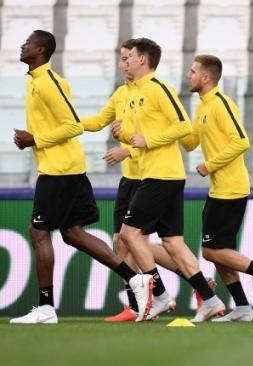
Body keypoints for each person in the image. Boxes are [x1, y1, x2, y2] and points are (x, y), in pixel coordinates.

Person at [10, 30, 146, 324]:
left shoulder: (47, 82)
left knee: (38, 233)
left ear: (42, 50)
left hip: (60, 169)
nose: (23, 45)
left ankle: (46, 309)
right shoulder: (36, 81)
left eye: (29, 43)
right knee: (72, 234)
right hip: (63, 166)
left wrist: (35, 139)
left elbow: (72, 125)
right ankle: (134, 278)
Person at [81, 39, 215, 322]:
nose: (122, 62)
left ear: (142, 60)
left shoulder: (159, 89)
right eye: (121, 57)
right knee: (154, 241)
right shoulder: (122, 93)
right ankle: (207, 297)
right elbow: (97, 122)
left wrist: (141, 141)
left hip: (161, 174)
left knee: (130, 236)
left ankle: (160, 297)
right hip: (136, 175)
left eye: (127, 57)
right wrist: (65, 124)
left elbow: (182, 127)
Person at [181, 54, 253, 322]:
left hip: (231, 187)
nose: (188, 75)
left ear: (206, 78)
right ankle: (242, 307)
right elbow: (190, 142)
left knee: (210, 251)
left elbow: (241, 141)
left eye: (193, 71)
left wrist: (210, 165)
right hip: (218, 189)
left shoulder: (221, 103)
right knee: (221, 254)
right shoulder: (202, 105)